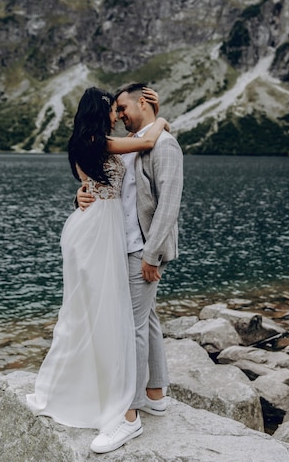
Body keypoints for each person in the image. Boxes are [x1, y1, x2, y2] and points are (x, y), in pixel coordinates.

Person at [27, 86, 168, 454]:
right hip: (97, 233)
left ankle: (122, 390)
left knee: (85, 311)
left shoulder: (81, 142)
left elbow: (90, 183)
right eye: (112, 109)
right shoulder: (101, 142)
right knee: (97, 312)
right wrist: (163, 117)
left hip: (87, 228)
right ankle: (121, 404)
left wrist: (80, 195)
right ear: (100, 111)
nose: (116, 115)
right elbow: (148, 140)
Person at [77, 82, 184, 451]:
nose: (119, 115)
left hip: (141, 251)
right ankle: (154, 394)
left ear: (143, 102)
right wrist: (83, 194)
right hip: (119, 247)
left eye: (123, 108)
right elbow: (111, 190)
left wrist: (152, 255)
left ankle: (129, 415)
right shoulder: (133, 143)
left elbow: (170, 204)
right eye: (115, 110)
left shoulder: (164, 144)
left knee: (131, 328)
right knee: (147, 320)